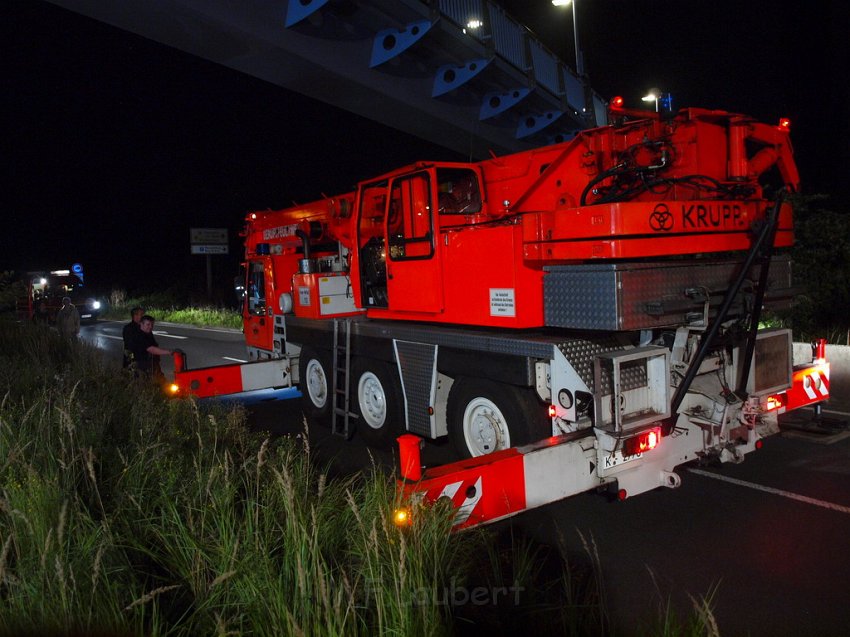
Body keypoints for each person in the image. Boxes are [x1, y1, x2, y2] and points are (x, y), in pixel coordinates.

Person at [128, 315, 173, 380]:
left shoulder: (148, 333)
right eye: (148, 324)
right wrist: (169, 352)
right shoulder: (139, 335)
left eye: (152, 324)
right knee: (148, 384)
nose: (150, 327)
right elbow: (151, 349)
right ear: (141, 324)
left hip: (152, 365)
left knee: (160, 382)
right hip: (142, 367)